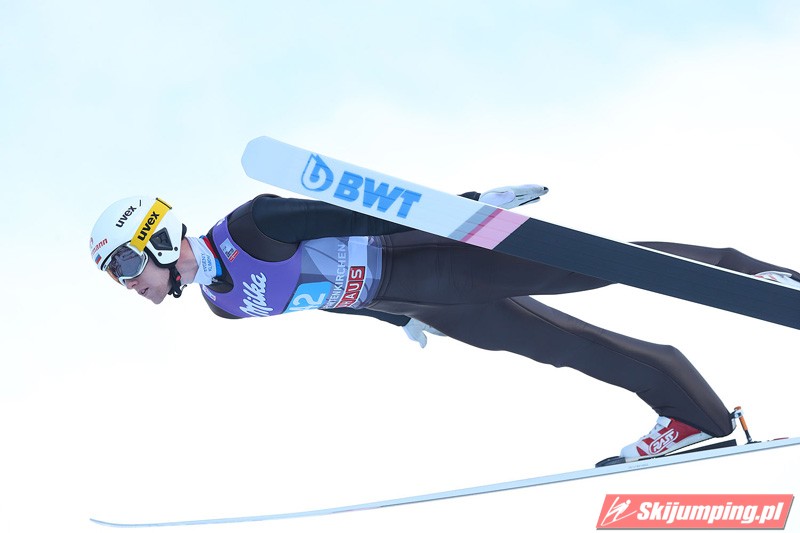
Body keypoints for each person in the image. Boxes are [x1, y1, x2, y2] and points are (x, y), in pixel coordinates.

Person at [89, 186, 800, 462]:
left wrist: (466, 207)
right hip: (421, 299)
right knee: (560, 346)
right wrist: (397, 317)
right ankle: (696, 417)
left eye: (126, 266)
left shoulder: (251, 226)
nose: (131, 287)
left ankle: (749, 272)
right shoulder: (221, 303)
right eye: (117, 280)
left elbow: (355, 213)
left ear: (156, 236)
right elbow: (321, 297)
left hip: (431, 256)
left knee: (593, 267)